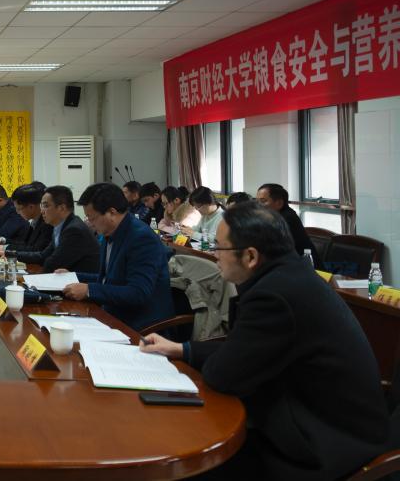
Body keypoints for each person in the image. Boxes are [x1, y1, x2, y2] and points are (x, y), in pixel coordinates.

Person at [141, 202, 388, 480]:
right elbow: (245, 347)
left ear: (250, 256)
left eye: (220, 247)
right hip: (326, 420)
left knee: (191, 460)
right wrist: (182, 349)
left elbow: (223, 375)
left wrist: (201, 358)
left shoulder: (273, 296)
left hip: (323, 444)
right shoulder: (289, 274)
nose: (214, 254)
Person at [61, 183, 174, 332]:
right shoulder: (110, 233)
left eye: (91, 218)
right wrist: (73, 276)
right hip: (113, 314)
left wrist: (89, 290)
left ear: (111, 213)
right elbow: (108, 279)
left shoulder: (141, 238)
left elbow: (138, 293)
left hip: (140, 326)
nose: (89, 223)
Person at [10, 185, 99, 273]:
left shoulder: (74, 230)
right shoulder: (60, 226)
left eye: (46, 206)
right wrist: (10, 254)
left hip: (81, 281)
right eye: (41, 206)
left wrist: (29, 278)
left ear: (62, 208)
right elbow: (42, 256)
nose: (42, 211)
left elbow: (52, 264)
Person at [256, 183, 318, 263]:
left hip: (306, 267)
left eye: (263, 201)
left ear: (279, 203)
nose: (257, 205)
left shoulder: (287, 219)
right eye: (257, 201)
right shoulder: (272, 216)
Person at [0, 185, 53, 256]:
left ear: (31, 207)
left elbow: (35, 250)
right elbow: (24, 243)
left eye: (19, 209)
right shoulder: (35, 221)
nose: (17, 212)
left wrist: (5, 248)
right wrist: (2, 240)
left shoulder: (47, 224)